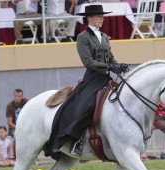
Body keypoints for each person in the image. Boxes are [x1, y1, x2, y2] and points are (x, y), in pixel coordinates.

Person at [47, 4, 128, 159]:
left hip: (106, 77)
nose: (102, 19)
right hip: (92, 79)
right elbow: (88, 62)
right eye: (98, 16)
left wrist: (118, 65)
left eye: (102, 16)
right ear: (89, 18)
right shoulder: (82, 37)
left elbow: (110, 57)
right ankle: (75, 140)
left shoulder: (104, 37)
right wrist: (109, 66)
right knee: (87, 106)